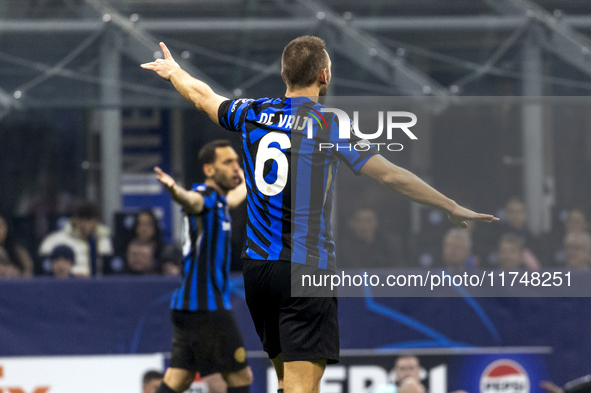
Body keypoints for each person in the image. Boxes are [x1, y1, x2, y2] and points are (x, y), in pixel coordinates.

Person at [141, 36, 499, 393]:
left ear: (284, 75)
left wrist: (174, 72)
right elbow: (391, 175)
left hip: (258, 271)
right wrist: (449, 205)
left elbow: (203, 96)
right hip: (305, 269)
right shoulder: (329, 124)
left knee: (286, 382)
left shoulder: (251, 112)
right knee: (301, 388)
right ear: (324, 76)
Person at [152, 139, 252, 393]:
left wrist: (254, 175)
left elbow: (240, 194)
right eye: (227, 162)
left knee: (179, 380)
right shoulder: (205, 199)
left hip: (188, 308)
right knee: (241, 379)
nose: (234, 168)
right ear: (209, 170)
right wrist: (175, 190)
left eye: (236, 162)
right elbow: (190, 200)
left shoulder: (220, 203)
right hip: (208, 308)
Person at [38, 201, 114, 277]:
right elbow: (46, 266)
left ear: (96, 222)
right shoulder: (55, 240)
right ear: (74, 220)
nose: (83, 224)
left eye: (88, 219)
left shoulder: (104, 242)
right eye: (80, 219)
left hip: (95, 285)